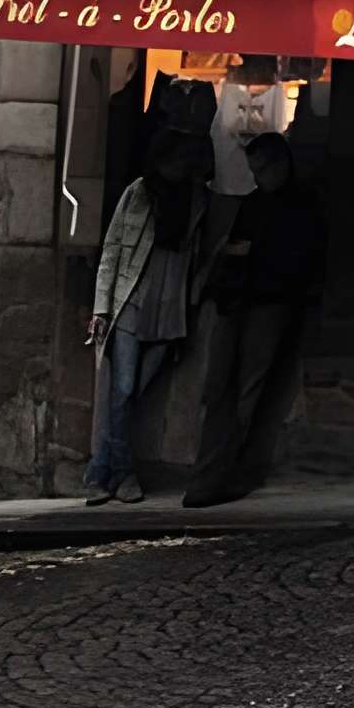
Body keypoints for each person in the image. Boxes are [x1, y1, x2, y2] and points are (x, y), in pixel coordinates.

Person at [181, 132, 326, 509]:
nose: (259, 176)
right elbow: (237, 248)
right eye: (255, 169)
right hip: (243, 301)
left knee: (245, 390)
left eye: (262, 169)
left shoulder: (300, 206)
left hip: (268, 302)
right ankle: (212, 473)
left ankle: (223, 473)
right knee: (223, 389)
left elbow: (297, 259)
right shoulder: (259, 204)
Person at [85, 129, 208, 503]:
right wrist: (101, 308)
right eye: (175, 160)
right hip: (130, 304)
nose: (179, 167)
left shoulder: (196, 199)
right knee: (121, 391)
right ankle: (123, 475)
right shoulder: (139, 193)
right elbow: (112, 249)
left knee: (132, 395)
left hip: (168, 311)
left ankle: (101, 469)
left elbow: (196, 256)